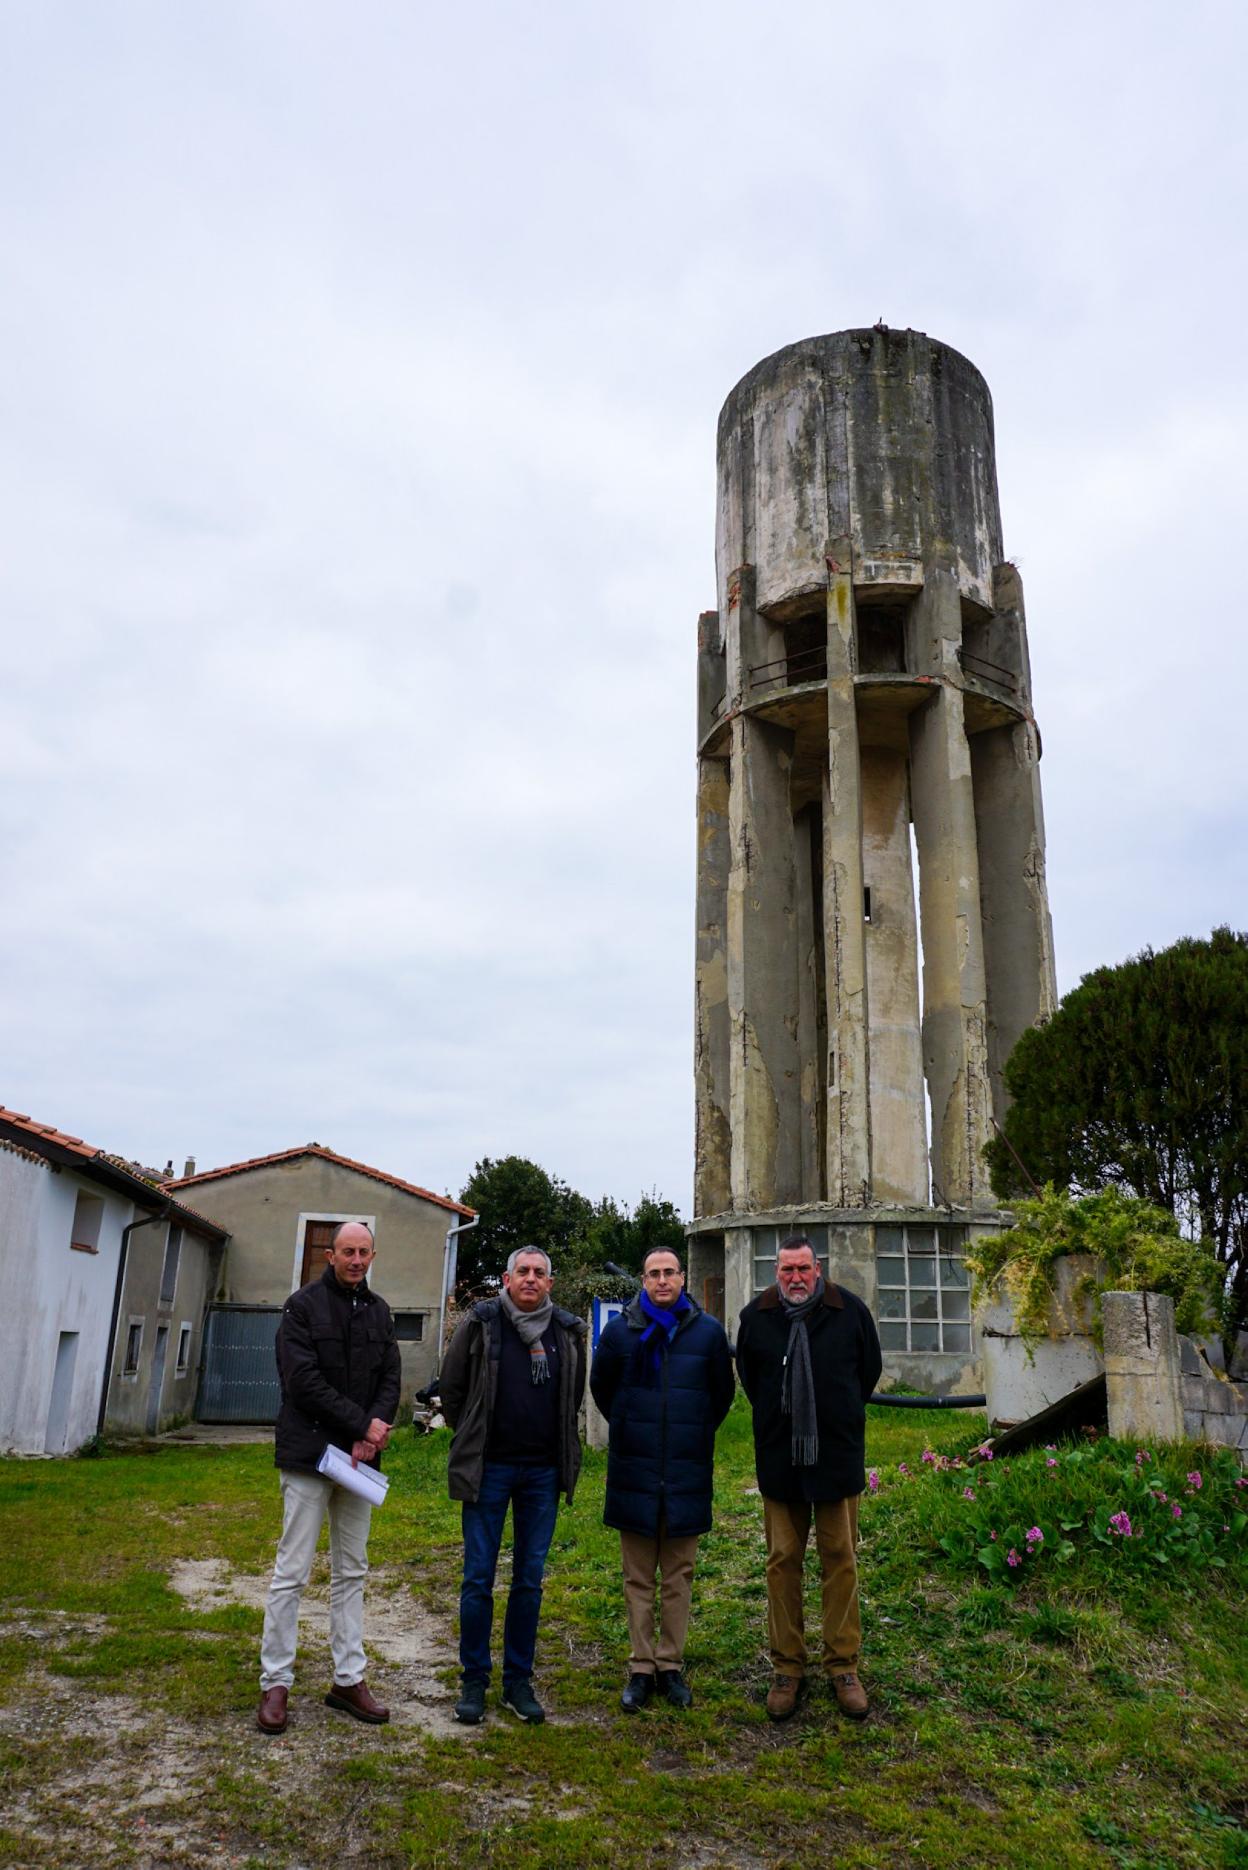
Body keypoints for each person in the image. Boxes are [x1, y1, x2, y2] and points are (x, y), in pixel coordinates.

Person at [257, 1221, 401, 1735]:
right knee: (292, 1571)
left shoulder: (380, 1311)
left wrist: (373, 1429)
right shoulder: (301, 1308)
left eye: (364, 1252)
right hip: (309, 1455)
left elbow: (390, 1377)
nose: (357, 1259)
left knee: (352, 1570)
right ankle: (275, 1682)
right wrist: (360, 1423)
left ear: (372, 1255)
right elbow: (303, 1382)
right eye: (348, 1251)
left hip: (359, 1462)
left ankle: (348, 1679)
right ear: (330, 1254)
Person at [735, 1234, 882, 1723]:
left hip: (836, 1459)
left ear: (818, 1269)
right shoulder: (757, 1318)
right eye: (786, 1270)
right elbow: (753, 1382)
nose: (795, 1278)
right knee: (782, 1562)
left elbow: (868, 1373)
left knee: (840, 1558)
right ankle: (787, 1668)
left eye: (803, 1269)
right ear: (775, 1272)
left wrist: (830, 1420)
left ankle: (843, 1666)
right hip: (781, 1460)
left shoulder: (849, 1312)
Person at [441, 1244, 587, 1725]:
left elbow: (573, 1400)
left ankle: (517, 1682)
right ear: (506, 1280)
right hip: (490, 1469)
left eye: (539, 1273)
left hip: (542, 1473)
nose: (529, 1278)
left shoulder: (567, 1332)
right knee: (478, 1578)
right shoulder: (482, 1323)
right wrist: (473, 1434)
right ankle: (474, 1682)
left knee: (528, 1580)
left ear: (550, 1282)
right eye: (521, 1271)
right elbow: (453, 1388)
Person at [589, 1248, 735, 1712]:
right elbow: (603, 1390)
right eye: (653, 1274)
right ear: (643, 1280)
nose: (662, 1281)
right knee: (637, 1577)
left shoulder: (708, 1333)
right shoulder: (620, 1334)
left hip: (686, 1468)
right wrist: (633, 1428)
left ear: (682, 1277)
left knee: (678, 1575)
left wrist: (689, 1433)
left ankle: (670, 1664)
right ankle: (640, 1666)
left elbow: (720, 1396)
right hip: (635, 1468)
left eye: (670, 1272)